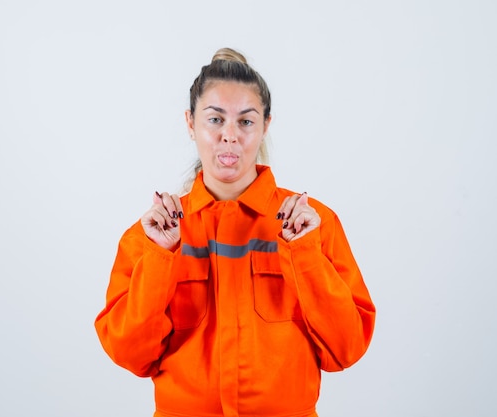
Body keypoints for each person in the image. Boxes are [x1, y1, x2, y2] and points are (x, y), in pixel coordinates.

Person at [95, 47, 376, 417]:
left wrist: (304, 255)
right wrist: (160, 258)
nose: (229, 136)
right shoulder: (155, 234)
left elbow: (346, 348)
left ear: (265, 126)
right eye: (215, 119)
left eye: (245, 121)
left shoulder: (310, 226)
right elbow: (131, 355)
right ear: (190, 123)